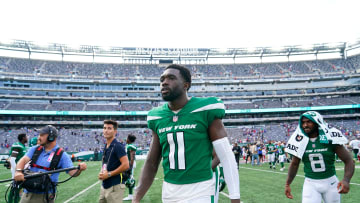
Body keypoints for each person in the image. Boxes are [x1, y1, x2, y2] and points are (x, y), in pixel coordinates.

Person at [133, 64, 240, 203]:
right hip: (169, 190)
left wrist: (235, 198)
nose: (164, 82)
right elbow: (151, 162)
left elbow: (226, 156)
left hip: (201, 188)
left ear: (186, 85)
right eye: (162, 79)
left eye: (171, 78)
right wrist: (136, 198)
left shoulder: (205, 108)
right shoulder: (156, 116)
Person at [285, 111, 354, 203]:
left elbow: (349, 160)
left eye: (309, 122)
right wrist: (287, 184)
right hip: (310, 183)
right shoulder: (301, 141)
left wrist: (346, 180)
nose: (305, 125)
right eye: (303, 122)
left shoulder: (330, 139)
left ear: (317, 122)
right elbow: (294, 164)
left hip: (331, 183)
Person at [14, 125, 87, 203]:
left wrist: (79, 169)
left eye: (42, 135)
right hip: (27, 193)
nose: (39, 137)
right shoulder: (34, 149)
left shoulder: (62, 155)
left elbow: (73, 173)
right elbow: (22, 160)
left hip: (45, 195)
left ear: (51, 137)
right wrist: (18, 171)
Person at [98, 120, 129, 203]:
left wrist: (108, 174)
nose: (106, 130)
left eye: (109, 128)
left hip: (115, 185)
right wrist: (102, 172)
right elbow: (107, 163)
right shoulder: (106, 145)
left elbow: (126, 165)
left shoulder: (118, 146)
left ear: (115, 131)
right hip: (105, 185)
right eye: (104, 128)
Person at [8, 133, 28, 203]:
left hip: (21, 170)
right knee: (14, 188)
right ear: (23, 138)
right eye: (26, 137)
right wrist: (17, 170)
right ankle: (10, 201)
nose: (27, 138)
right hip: (16, 170)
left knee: (19, 188)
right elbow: (12, 159)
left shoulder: (23, 146)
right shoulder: (17, 145)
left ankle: (16, 201)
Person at [123, 134, 137, 201]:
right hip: (128, 163)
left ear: (129, 139)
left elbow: (132, 157)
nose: (126, 139)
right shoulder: (128, 146)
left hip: (130, 164)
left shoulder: (130, 146)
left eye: (127, 138)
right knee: (129, 178)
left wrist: (130, 166)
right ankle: (135, 188)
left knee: (129, 179)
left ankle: (131, 195)